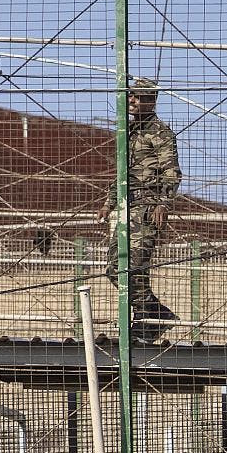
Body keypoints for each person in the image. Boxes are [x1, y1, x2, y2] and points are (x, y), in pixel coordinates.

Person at [97, 78, 182, 332]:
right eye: (131, 96)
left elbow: (171, 172)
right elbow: (122, 173)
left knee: (134, 267)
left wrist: (163, 203)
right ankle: (156, 316)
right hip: (127, 206)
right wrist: (108, 203)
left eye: (138, 97)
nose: (132, 101)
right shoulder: (128, 131)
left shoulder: (160, 133)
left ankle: (147, 322)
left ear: (151, 101)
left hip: (147, 207)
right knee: (114, 269)